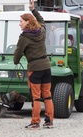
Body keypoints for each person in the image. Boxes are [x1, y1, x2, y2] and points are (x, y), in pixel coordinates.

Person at [13, 0, 54, 130]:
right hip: (46, 67)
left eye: (21, 21)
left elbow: (18, 52)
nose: (19, 24)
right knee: (47, 95)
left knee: (36, 98)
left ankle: (35, 122)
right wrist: (33, 9)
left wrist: (15, 60)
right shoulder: (41, 31)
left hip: (35, 69)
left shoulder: (24, 37)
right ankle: (49, 122)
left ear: (27, 22)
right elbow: (41, 20)